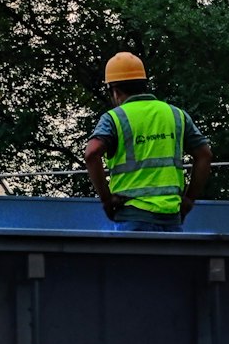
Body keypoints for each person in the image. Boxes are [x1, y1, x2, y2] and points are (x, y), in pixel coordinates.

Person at [84, 51, 212, 232]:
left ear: (115, 91)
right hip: (171, 219)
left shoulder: (114, 118)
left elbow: (91, 153)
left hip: (132, 218)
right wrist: (189, 199)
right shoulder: (175, 115)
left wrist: (106, 200)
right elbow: (205, 155)